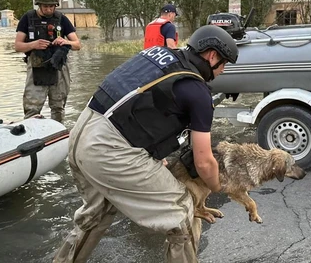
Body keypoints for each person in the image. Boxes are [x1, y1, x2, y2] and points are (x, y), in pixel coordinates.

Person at [53, 25, 239, 263]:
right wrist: (217, 186)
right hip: (109, 149)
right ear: (212, 55)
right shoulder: (197, 91)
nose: (222, 71)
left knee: (95, 216)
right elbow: (204, 162)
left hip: (83, 131)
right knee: (182, 210)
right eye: (224, 64)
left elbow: (135, 103)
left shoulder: (156, 54)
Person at [14, 0, 81, 123]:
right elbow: (17, 46)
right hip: (37, 67)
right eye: (46, 6)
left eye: (52, 6)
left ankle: (58, 132)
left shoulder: (61, 19)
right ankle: (31, 132)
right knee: (32, 107)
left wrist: (65, 41)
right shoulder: (28, 18)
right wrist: (33, 45)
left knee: (58, 106)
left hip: (58, 68)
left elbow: (77, 44)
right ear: (39, 5)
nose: (49, 9)